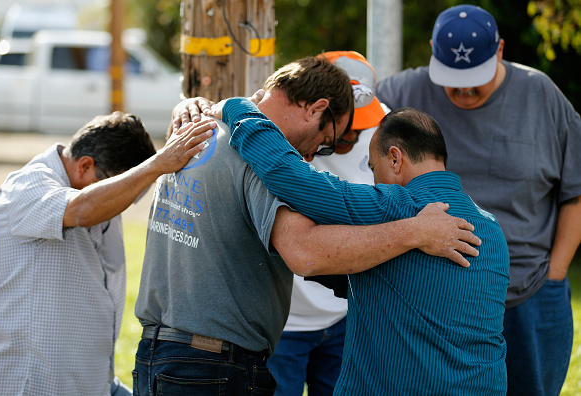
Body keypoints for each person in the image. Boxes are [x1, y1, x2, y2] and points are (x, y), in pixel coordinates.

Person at [132, 56, 480, 396]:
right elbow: (305, 253)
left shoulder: (198, 131)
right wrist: (416, 232)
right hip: (211, 368)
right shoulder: (262, 159)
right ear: (315, 109)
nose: (313, 156)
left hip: (155, 354)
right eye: (327, 141)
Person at [211, 97, 509, 393]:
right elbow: (409, 288)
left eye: (372, 166)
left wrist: (236, 107)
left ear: (395, 158)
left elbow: (289, 175)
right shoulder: (493, 230)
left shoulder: (393, 207)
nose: (373, 178)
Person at [375, 4, 581, 395]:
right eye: (453, 81)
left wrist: (556, 273)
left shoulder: (540, 93)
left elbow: (577, 189)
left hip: (530, 295)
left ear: (500, 51)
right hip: (434, 297)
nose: (464, 90)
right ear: (434, 54)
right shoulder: (402, 94)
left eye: (475, 79)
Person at [0, 111, 215, 395]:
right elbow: (81, 210)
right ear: (85, 166)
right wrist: (156, 165)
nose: (126, 200)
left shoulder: (99, 192)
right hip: (33, 383)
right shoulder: (24, 187)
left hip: (94, 382)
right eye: (122, 186)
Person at [266, 51, 387, 396]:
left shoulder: (387, 130)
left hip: (345, 318)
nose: (350, 134)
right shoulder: (280, 136)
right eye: (342, 124)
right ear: (316, 109)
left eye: (361, 122)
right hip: (282, 322)